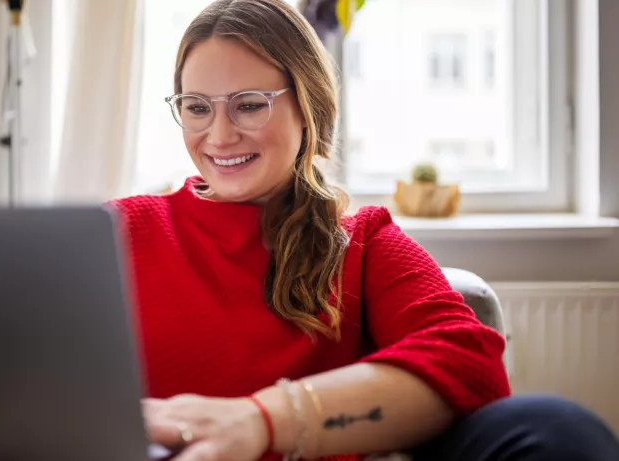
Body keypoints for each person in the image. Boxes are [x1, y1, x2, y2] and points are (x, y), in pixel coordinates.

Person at [109, 1, 619, 460]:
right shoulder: (117, 230)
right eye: (197, 107)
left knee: (556, 427)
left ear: (307, 109)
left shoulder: (360, 239)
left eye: (249, 105)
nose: (218, 135)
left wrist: (265, 421)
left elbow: (471, 363)